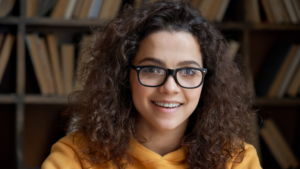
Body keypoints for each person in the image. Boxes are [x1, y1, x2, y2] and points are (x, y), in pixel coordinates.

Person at [42, 1, 261, 169]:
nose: (170, 87)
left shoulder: (236, 160)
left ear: (207, 81)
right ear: (124, 75)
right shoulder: (75, 156)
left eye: (188, 71)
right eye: (153, 69)